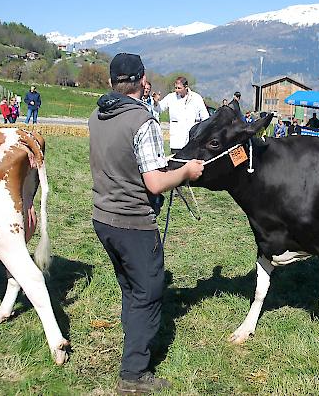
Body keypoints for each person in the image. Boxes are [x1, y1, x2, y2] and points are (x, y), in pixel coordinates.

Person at [89, 53, 204, 394]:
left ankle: (132, 338)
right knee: (149, 293)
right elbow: (154, 183)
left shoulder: (96, 115)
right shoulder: (143, 122)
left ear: (112, 81)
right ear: (141, 79)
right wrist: (185, 172)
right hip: (133, 222)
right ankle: (134, 374)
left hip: (102, 218)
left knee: (130, 287)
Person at [152, 76, 209, 153]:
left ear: (186, 87)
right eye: (175, 88)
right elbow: (159, 108)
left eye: (179, 88)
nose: (177, 90)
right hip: (177, 139)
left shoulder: (196, 98)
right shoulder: (171, 97)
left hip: (193, 138)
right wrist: (156, 102)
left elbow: (205, 117)